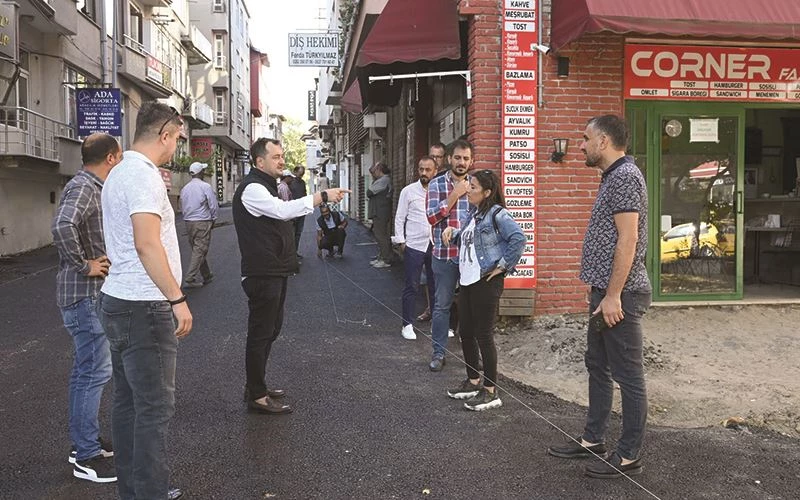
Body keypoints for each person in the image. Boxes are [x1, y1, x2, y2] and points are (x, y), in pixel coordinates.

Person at [547, 115, 652, 479]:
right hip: (604, 294)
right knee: (598, 367)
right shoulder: (612, 176)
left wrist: (612, 296)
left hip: (619, 296)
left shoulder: (624, 177)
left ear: (604, 141)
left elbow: (629, 240)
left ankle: (628, 456)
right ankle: (594, 439)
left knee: (629, 377)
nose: (580, 145)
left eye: (586, 138)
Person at [97, 101, 191, 500]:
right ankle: (149, 493)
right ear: (165, 134)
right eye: (178, 140)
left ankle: (135, 490)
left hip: (119, 298)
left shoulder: (118, 172)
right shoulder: (144, 176)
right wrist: (177, 299)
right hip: (144, 304)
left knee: (128, 402)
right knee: (153, 408)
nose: (177, 148)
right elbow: (147, 243)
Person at [233, 137, 348, 415]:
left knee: (270, 330)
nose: (282, 161)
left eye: (282, 156)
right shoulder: (252, 189)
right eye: (276, 157)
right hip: (263, 273)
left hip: (275, 269)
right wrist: (322, 196)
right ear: (259, 161)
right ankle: (257, 395)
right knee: (261, 333)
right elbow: (282, 212)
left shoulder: (267, 185)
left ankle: (256, 384)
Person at [52, 133, 122, 483]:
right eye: (119, 156)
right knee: (94, 371)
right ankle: (86, 455)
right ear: (110, 157)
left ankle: (85, 441)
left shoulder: (91, 186)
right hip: (84, 293)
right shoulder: (84, 187)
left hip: (85, 294)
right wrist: (85, 265)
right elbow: (62, 224)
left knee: (87, 371)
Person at [442, 170, 525, 410]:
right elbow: (472, 240)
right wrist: (454, 233)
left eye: (474, 187)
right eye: (469, 185)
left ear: (487, 192)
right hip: (467, 280)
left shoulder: (498, 214)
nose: (468, 189)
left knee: (484, 335)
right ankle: (472, 380)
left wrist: (502, 266)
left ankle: (490, 391)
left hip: (485, 282)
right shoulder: (473, 213)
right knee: (465, 332)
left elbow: (518, 239)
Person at [425, 138, 474, 371]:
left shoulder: (477, 184)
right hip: (444, 255)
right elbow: (432, 217)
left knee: (471, 308)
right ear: (449, 159)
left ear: (471, 161)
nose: (461, 162)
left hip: (470, 258)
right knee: (441, 306)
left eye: (466, 158)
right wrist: (455, 195)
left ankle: (473, 358)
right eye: (457, 158)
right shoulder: (436, 185)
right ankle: (438, 353)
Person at [392, 156, 437, 340]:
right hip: (414, 245)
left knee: (436, 286)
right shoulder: (408, 191)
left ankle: (438, 324)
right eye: (421, 169)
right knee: (411, 285)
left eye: (428, 170)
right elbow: (399, 217)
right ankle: (407, 324)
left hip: (435, 245)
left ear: (435, 171)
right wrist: (401, 241)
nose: (424, 173)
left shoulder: (439, 191)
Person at [180, 162, 219, 288]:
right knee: (200, 250)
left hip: (188, 222)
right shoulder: (205, 186)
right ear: (200, 173)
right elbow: (213, 204)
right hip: (202, 221)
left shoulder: (185, 188)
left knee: (198, 249)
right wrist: (214, 218)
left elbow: (182, 205)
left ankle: (207, 274)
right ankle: (189, 278)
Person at [368, 162, 393, 268]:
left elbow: (369, 192)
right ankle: (383, 256)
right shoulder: (382, 180)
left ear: (380, 170)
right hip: (380, 210)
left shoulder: (383, 180)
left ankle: (385, 259)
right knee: (381, 235)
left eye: (375, 170)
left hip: (380, 211)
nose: (374, 172)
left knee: (381, 235)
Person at [290, 166, 308, 258]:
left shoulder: (302, 183)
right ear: (295, 172)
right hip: (293, 210)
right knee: (292, 232)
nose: (301, 175)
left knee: (298, 232)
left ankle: (295, 251)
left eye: (303, 173)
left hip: (302, 210)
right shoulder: (290, 182)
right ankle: (291, 253)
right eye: (300, 173)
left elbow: (305, 194)